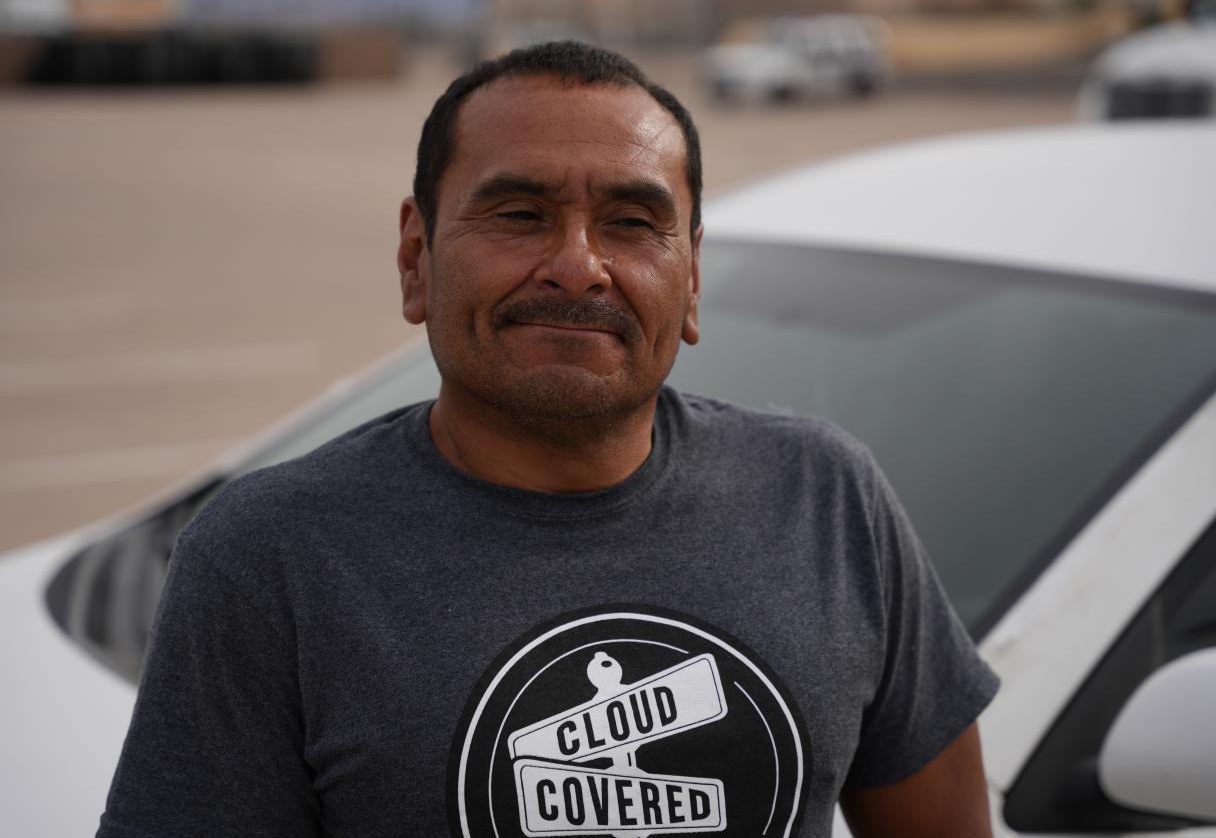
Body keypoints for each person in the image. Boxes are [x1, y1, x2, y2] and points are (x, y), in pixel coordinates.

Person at [98, 42, 998, 838]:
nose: (577, 264)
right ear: (416, 259)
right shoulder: (268, 555)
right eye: (520, 214)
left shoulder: (827, 497)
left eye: (634, 223)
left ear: (690, 284)